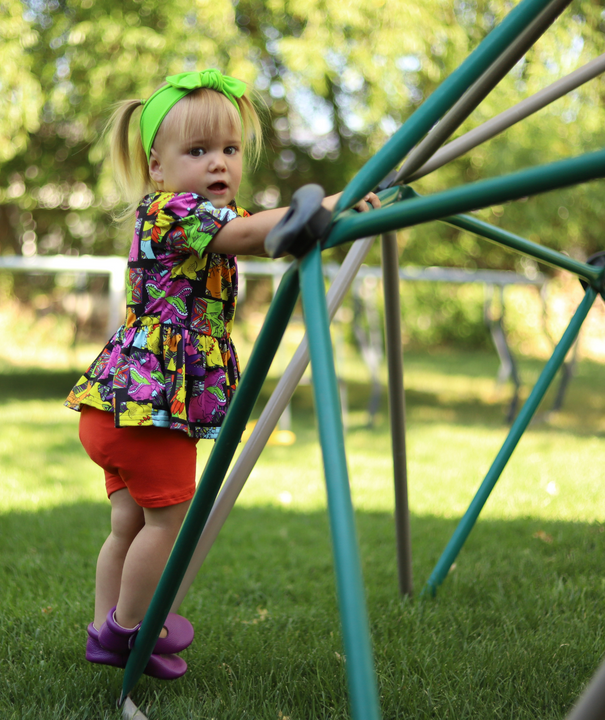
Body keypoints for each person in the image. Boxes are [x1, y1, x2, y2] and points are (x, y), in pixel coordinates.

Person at [64, 68, 381, 680]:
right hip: (149, 413)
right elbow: (247, 235)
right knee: (168, 522)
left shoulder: (194, 213)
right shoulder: (173, 212)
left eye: (230, 150)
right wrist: (330, 205)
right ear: (157, 166)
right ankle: (130, 629)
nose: (219, 164)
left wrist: (294, 221)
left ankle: (103, 629)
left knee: (127, 524)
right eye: (199, 151)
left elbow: (252, 226)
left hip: (117, 410)